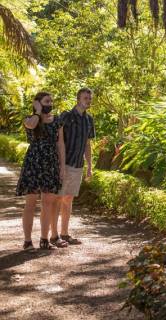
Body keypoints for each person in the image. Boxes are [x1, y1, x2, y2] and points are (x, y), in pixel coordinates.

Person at [15, 92, 67, 251]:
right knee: (30, 203)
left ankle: (45, 240)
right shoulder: (30, 119)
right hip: (33, 163)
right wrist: (37, 112)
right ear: (37, 103)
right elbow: (31, 126)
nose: (50, 103)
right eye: (46, 101)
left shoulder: (57, 120)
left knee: (48, 203)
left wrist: (62, 167)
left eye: (51, 100)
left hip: (51, 164)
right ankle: (27, 241)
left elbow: (60, 145)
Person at [53, 87, 94, 245]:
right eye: (85, 98)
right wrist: (59, 165)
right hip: (63, 164)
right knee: (58, 198)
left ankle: (64, 234)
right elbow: (58, 141)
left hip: (78, 164)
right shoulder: (66, 116)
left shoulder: (89, 120)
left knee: (68, 199)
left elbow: (88, 144)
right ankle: (53, 236)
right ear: (78, 99)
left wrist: (89, 165)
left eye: (90, 98)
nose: (88, 101)